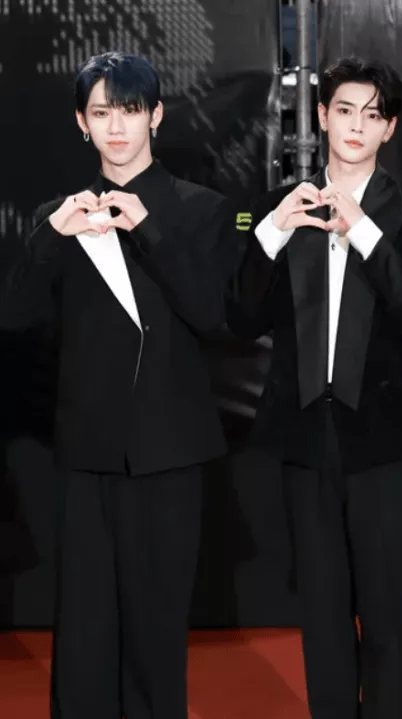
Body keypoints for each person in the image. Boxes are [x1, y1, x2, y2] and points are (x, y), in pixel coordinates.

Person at [0, 52, 236, 719]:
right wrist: (50, 238)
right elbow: (13, 315)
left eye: (129, 110)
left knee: (157, 636)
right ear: (81, 122)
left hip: (170, 453)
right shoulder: (61, 216)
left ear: (155, 116)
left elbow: (214, 316)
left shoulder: (202, 210)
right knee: (83, 635)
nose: (116, 127)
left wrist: (150, 231)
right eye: (101, 112)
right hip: (85, 455)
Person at [227, 57, 402, 719]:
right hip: (302, 442)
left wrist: (366, 235)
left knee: (387, 617)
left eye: (372, 115)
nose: (356, 125)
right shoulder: (278, 209)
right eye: (344, 110)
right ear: (321, 116)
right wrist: (272, 232)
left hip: (382, 442)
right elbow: (239, 319)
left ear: (390, 128)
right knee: (320, 619)